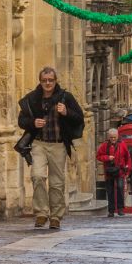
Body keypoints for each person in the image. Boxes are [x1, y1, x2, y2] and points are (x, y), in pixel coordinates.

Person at [17, 67, 85, 231]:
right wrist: (32, 123)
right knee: (37, 176)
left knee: (56, 183)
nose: (47, 83)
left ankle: (55, 216)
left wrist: (66, 112)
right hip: (38, 143)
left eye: (50, 80)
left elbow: (79, 118)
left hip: (58, 144)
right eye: (44, 80)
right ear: (40, 81)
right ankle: (41, 213)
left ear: (55, 81)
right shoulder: (32, 98)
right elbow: (21, 120)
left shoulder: (65, 97)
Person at [96, 128, 130, 218]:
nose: (113, 139)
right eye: (111, 137)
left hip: (120, 171)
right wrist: (107, 158)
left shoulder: (122, 144)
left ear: (117, 136)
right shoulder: (104, 145)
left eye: (114, 137)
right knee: (110, 191)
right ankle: (111, 210)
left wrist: (127, 166)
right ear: (108, 137)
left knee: (120, 188)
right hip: (109, 171)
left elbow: (127, 156)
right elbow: (98, 156)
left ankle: (120, 209)